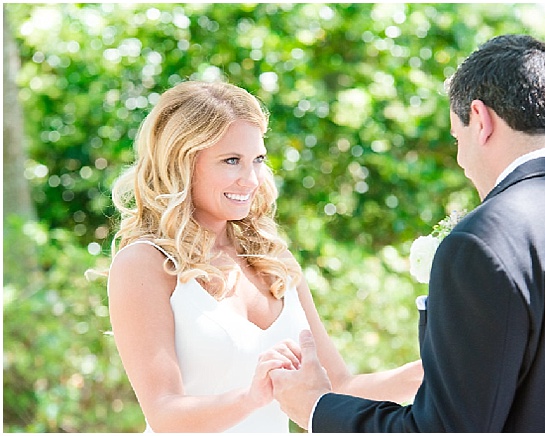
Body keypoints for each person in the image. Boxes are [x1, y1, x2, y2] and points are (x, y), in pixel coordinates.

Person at [270, 34, 545, 432]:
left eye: (456, 137)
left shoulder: (483, 240)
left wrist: (315, 406)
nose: (461, 160)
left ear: (480, 120)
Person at [107, 80, 423, 433]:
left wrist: (432, 372)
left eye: (257, 160)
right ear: (181, 163)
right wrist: (250, 398)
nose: (252, 179)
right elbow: (164, 413)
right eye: (232, 161)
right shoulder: (144, 263)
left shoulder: (274, 259)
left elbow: (338, 387)